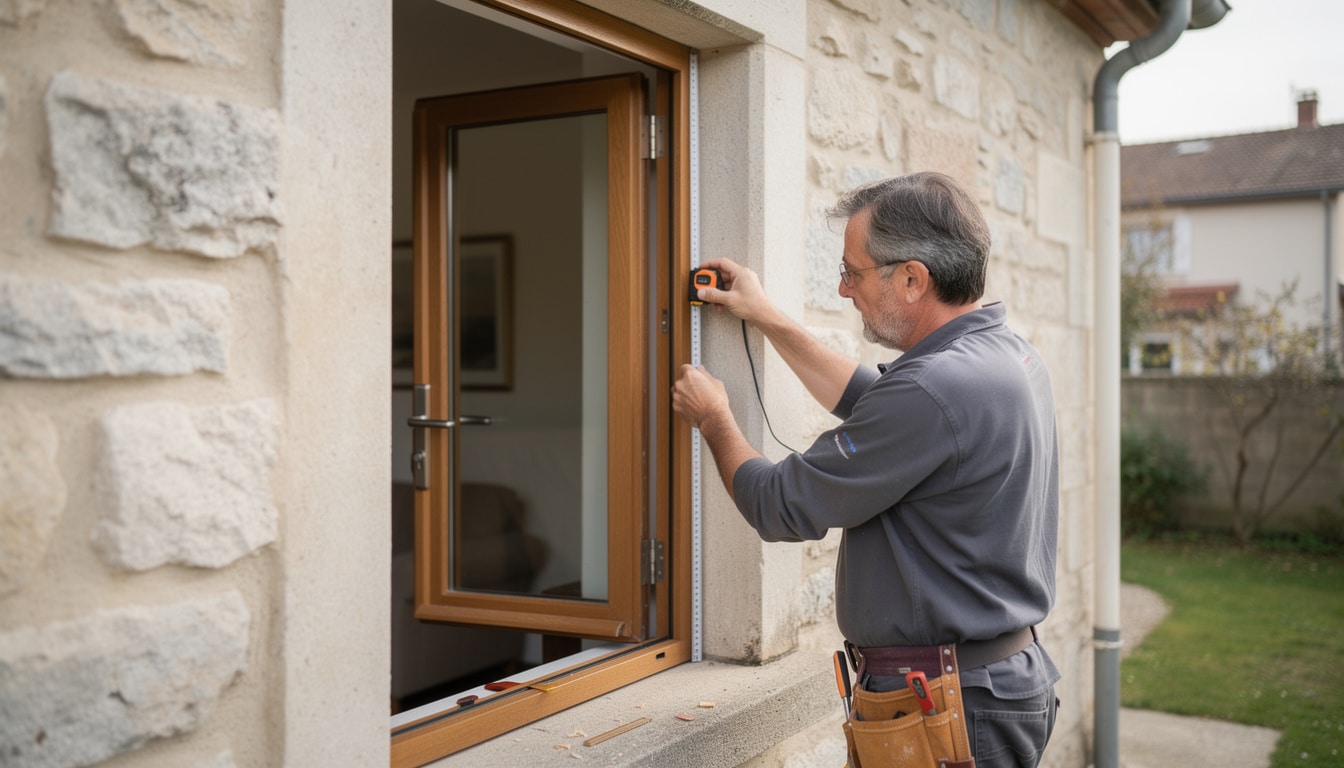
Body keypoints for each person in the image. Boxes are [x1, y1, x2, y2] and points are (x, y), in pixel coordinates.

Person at [671, 172, 1060, 767]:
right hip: (989, 683)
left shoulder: (934, 389)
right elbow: (870, 398)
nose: (844, 287)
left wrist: (714, 418)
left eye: (854, 271)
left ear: (911, 279)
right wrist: (767, 316)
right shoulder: (1004, 355)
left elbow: (780, 505)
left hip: (948, 706)